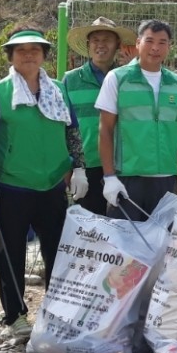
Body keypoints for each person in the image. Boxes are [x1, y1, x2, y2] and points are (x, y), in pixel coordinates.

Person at [0, 26, 88, 339]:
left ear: (43, 55)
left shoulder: (58, 91)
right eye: (21, 50)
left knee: (57, 251)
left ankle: (56, 311)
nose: (28, 55)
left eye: (35, 50)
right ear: (10, 56)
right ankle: (15, 316)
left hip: (52, 185)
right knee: (10, 252)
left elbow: (72, 132)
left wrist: (79, 168)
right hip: (12, 186)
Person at [97, 19, 177, 220]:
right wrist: (109, 176)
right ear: (138, 43)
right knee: (125, 246)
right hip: (128, 178)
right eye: (149, 41)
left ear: (169, 47)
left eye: (162, 42)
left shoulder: (176, 83)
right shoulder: (118, 78)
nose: (155, 48)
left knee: (163, 244)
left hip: (166, 180)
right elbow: (105, 129)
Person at [63, 17, 137, 215]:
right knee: (91, 235)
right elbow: (63, 127)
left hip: (123, 166)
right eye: (95, 40)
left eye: (107, 40)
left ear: (118, 46)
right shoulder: (71, 80)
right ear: (88, 46)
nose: (100, 45)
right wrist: (70, 168)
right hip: (86, 168)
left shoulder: (128, 78)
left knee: (121, 230)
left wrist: (135, 71)